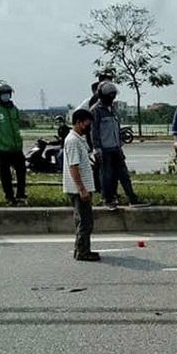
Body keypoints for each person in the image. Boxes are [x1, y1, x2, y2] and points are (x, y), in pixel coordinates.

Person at [90, 81, 149, 210]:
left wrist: (120, 145)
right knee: (106, 175)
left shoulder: (113, 109)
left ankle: (132, 198)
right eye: (109, 96)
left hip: (116, 147)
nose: (112, 98)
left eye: (113, 96)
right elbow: (94, 131)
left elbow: (116, 128)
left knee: (124, 174)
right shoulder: (96, 110)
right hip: (104, 149)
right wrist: (96, 148)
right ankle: (108, 199)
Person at [63, 109, 100, 261]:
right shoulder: (73, 141)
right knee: (85, 221)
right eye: (86, 123)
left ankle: (82, 249)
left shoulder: (78, 139)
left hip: (81, 187)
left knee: (84, 220)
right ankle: (82, 252)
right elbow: (74, 166)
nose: (88, 127)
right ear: (78, 122)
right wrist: (81, 189)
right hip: (78, 189)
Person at [0, 82, 27, 206]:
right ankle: (9, 197)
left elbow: (17, 126)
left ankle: (21, 194)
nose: (6, 96)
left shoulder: (14, 109)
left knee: (21, 171)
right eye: (3, 94)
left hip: (16, 147)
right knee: (5, 175)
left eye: (8, 93)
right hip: (2, 148)